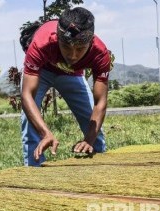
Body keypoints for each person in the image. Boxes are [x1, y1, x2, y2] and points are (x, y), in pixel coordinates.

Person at [21, 7, 112, 166]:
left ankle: (99, 165)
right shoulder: (41, 43)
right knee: (30, 126)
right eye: (66, 47)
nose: (72, 55)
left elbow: (100, 102)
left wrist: (89, 139)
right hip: (42, 72)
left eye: (80, 49)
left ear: (90, 42)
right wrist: (45, 133)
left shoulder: (100, 53)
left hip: (72, 75)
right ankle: (34, 173)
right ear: (58, 38)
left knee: (93, 125)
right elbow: (27, 95)